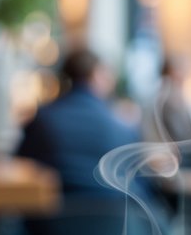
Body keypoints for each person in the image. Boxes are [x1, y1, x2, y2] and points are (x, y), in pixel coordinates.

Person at [16, 48, 140, 198]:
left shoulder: (43, 119)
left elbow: (20, 165)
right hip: (114, 217)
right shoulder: (121, 125)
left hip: (52, 217)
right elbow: (138, 179)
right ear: (96, 76)